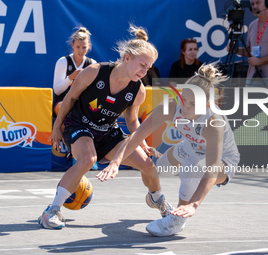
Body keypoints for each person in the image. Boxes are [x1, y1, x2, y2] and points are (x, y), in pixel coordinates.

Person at [38, 24, 173, 229]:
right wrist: (57, 126)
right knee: (87, 159)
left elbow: (132, 120)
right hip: (78, 124)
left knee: (148, 165)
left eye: (148, 67)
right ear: (127, 57)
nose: (145, 71)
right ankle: (51, 211)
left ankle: (157, 198)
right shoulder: (94, 72)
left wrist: (142, 142)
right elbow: (70, 97)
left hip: (107, 131)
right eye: (142, 65)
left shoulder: (138, 90)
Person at [97, 63, 240, 237]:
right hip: (191, 145)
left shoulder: (213, 123)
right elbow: (137, 136)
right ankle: (155, 196)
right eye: (184, 99)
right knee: (159, 170)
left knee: (192, 167)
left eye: (193, 103)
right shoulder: (172, 107)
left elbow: (212, 168)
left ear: (207, 104)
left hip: (223, 161)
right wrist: (115, 162)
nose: (185, 107)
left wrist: (193, 204)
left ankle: (177, 219)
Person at [231, 0, 268, 87]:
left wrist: (260, 61)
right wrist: (235, 50)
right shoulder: (252, 25)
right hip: (253, 77)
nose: (254, 6)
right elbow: (251, 50)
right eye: (252, 4)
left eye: (258, 3)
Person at [53, 27, 97, 117]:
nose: (81, 50)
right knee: (64, 108)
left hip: (83, 101)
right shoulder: (63, 61)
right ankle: (60, 129)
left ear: (88, 46)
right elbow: (57, 91)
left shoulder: (92, 64)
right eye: (78, 47)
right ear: (72, 45)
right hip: (63, 100)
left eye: (84, 47)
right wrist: (70, 77)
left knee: (97, 108)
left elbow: (94, 91)